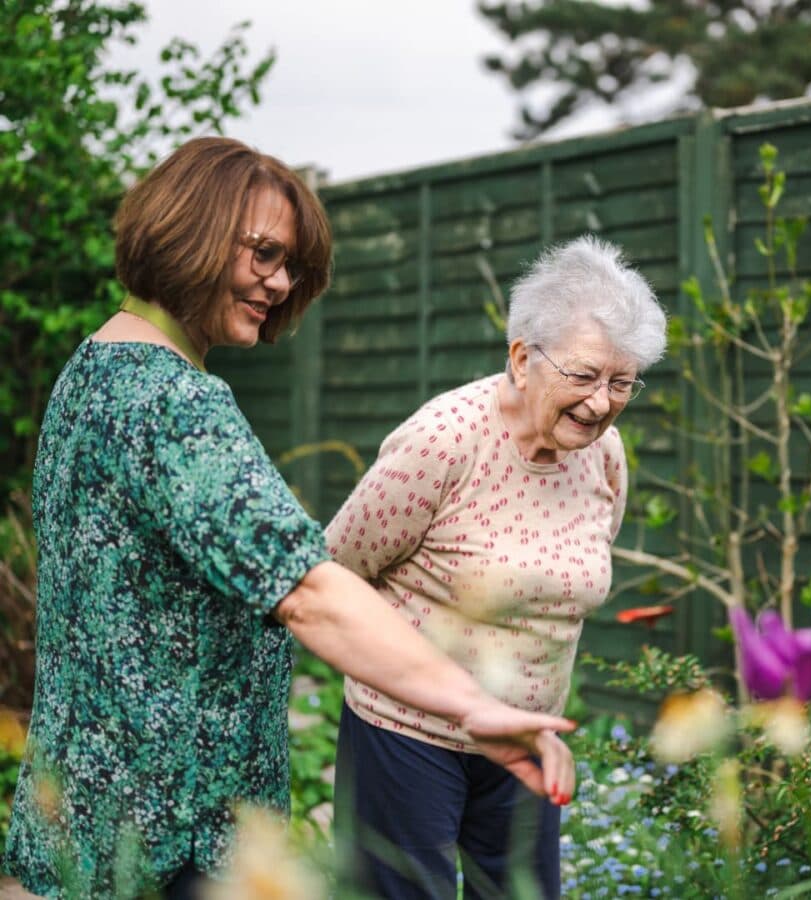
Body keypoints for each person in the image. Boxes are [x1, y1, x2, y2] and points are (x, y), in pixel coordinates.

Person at [2, 137, 576, 900]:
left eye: (292, 266)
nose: (279, 283)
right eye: (264, 254)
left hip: (83, 812)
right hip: (169, 833)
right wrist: (471, 704)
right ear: (189, 229)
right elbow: (307, 590)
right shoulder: (177, 404)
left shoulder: (93, 370)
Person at [324, 235, 668, 899]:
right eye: (584, 375)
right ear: (521, 358)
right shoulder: (443, 441)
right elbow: (335, 569)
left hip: (526, 742)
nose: (602, 402)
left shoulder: (605, 455)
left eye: (622, 382)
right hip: (407, 737)